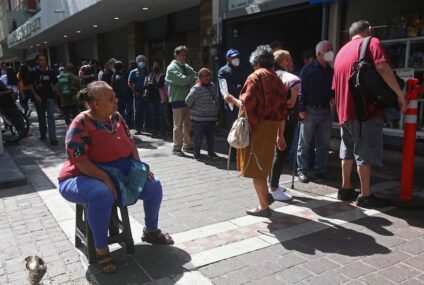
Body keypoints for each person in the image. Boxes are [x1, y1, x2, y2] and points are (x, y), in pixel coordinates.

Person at [57, 81, 173, 274]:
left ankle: (151, 231)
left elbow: (131, 144)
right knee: (101, 194)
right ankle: (101, 249)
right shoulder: (81, 123)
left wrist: (139, 168)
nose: (116, 101)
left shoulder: (116, 118)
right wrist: (104, 177)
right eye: (111, 99)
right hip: (81, 175)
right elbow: (79, 160)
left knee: (154, 185)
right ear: (95, 103)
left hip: (119, 173)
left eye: (115, 97)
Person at [332, 20, 407, 207]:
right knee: (364, 153)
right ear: (369, 30)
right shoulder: (372, 42)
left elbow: (334, 86)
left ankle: (346, 188)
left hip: (344, 113)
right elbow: (382, 67)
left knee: (347, 151)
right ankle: (365, 195)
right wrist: (399, 94)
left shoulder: (341, 51)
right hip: (365, 111)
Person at [236, 45, 288, 217]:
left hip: (257, 126)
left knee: (255, 168)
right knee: (263, 166)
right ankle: (265, 200)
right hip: (273, 126)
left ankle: (264, 205)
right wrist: (280, 135)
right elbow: (283, 111)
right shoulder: (277, 78)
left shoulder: (255, 77)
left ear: (257, 63)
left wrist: (231, 99)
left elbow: (246, 105)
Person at [296, 40, 335, 183]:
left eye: (331, 49)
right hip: (309, 110)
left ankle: (321, 170)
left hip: (325, 111)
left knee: (324, 144)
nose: (331, 51)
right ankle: (302, 170)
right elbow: (301, 91)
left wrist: (333, 97)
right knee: (305, 143)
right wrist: (301, 109)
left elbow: (333, 89)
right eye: (328, 50)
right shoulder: (308, 69)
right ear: (319, 54)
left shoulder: (331, 70)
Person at [268, 50, 301, 202]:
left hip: (272, 119)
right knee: (281, 153)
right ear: (285, 61)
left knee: (275, 153)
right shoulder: (287, 76)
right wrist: (294, 99)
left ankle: (272, 184)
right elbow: (295, 84)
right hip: (285, 119)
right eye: (289, 59)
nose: (291, 62)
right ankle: (273, 187)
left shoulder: (271, 75)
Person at [165, 45, 197, 156]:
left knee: (187, 124)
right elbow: (182, 80)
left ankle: (187, 145)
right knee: (178, 124)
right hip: (178, 99)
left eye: (185, 55)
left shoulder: (186, 66)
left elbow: (195, 76)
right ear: (176, 55)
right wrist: (189, 79)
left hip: (188, 98)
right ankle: (177, 148)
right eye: (182, 55)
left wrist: (188, 79)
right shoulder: (172, 67)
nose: (184, 57)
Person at [217, 49, 247, 161]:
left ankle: (242, 151)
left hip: (244, 103)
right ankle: (232, 154)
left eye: (237, 56)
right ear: (228, 59)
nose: (236, 59)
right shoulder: (223, 71)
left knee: (243, 127)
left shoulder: (243, 70)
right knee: (233, 128)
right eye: (233, 57)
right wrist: (238, 87)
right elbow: (225, 90)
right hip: (231, 104)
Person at [185, 68, 219, 160]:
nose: (205, 78)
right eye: (203, 76)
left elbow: (217, 99)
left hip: (212, 118)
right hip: (199, 119)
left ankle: (211, 153)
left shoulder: (213, 86)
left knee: (211, 138)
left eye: (207, 75)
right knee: (198, 138)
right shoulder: (196, 88)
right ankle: (197, 154)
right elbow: (188, 101)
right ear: (199, 78)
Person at [27, 54, 60, 145]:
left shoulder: (51, 72)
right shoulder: (33, 72)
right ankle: (43, 133)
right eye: (41, 60)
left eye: (44, 60)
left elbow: (55, 84)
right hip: (39, 98)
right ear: (37, 61)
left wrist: (59, 95)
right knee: (41, 117)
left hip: (49, 97)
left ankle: (53, 138)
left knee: (51, 116)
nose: (43, 62)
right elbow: (30, 85)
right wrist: (35, 95)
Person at [143, 61, 166, 137]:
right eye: (154, 65)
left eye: (157, 65)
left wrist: (152, 84)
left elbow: (161, 84)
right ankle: (154, 131)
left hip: (160, 98)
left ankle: (162, 131)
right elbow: (145, 86)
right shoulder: (149, 76)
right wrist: (154, 85)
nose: (155, 67)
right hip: (151, 99)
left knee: (161, 116)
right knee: (153, 115)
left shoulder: (162, 75)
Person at [128, 55, 149, 135]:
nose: (142, 63)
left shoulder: (147, 71)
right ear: (137, 62)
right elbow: (129, 83)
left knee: (147, 111)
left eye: (143, 61)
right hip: (137, 95)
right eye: (140, 61)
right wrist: (134, 92)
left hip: (146, 95)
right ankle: (138, 128)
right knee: (137, 112)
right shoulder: (133, 72)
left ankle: (147, 127)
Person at [111, 61, 131, 125]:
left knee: (127, 112)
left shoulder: (126, 74)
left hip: (127, 96)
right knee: (122, 112)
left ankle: (126, 124)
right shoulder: (114, 76)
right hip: (120, 97)